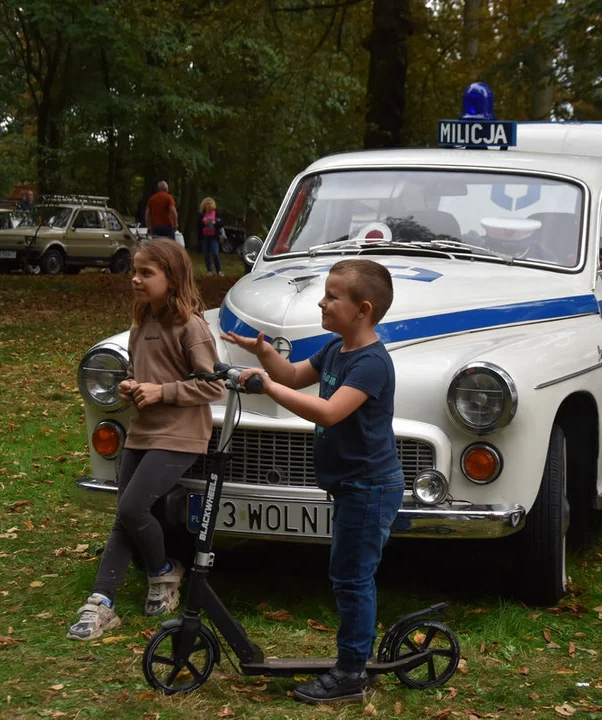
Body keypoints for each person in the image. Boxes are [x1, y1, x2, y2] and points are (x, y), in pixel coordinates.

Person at [222, 259, 403, 704]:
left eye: (331, 296)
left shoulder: (371, 364)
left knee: (353, 578)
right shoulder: (335, 349)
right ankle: (352, 662)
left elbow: (328, 411)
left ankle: (351, 672)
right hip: (351, 483)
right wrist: (265, 355)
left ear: (362, 309)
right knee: (348, 575)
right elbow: (295, 376)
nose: (321, 301)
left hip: (370, 486)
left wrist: (265, 386)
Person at [67, 238, 224, 641]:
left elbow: (212, 389)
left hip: (181, 435)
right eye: (134, 272)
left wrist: (162, 392)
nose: (135, 280)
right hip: (143, 431)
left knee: (133, 506)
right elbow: (144, 375)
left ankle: (163, 572)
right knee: (125, 513)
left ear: (172, 278)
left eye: (146, 273)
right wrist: (132, 387)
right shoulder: (142, 325)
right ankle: (102, 601)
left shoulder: (192, 327)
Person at [198, 197, 223, 276]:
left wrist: (214, 222)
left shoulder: (216, 213)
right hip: (205, 236)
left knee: (215, 253)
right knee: (206, 254)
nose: (209, 206)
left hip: (214, 236)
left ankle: (219, 270)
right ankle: (209, 270)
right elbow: (198, 225)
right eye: (207, 204)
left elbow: (221, 224)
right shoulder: (201, 214)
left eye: (210, 204)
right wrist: (204, 223)